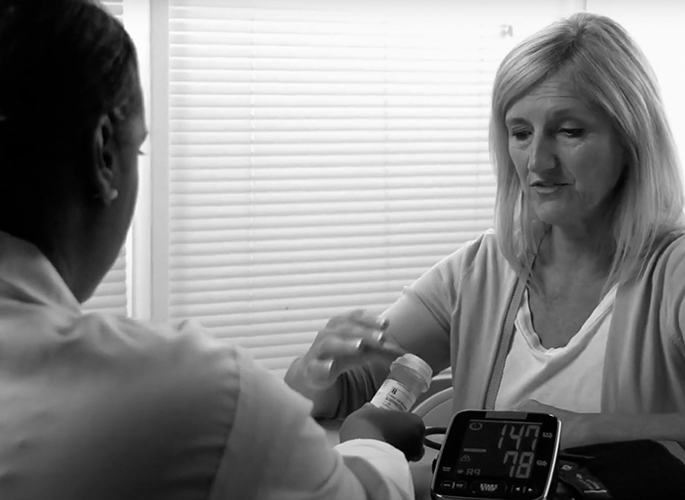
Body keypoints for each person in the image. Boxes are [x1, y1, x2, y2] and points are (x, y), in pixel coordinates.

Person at [0, 1, 425, 499]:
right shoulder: (194, 394)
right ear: (104, 155)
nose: (536, 160)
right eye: (138, 150)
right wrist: (368, 441)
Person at [286, 11, 685, 451]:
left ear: (632, 139)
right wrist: (315, 369)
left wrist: (585, 430)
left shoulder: (673, 273)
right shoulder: (480, 271)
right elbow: (345, 392)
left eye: (569, 131)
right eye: (520, 133)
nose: (537, 163)